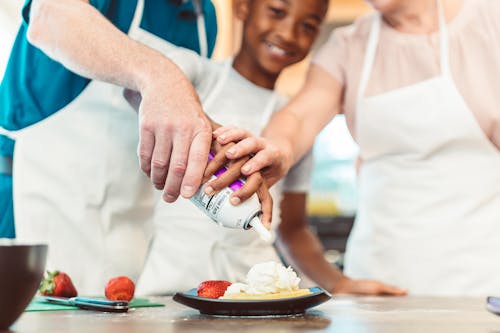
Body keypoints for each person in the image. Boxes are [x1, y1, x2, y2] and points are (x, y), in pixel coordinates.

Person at [213, 0, 500, 296]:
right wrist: (277, 149)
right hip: (379, 281)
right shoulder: (348, 47)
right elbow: (298, 117)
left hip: (485, 275)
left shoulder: (490, 20)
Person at [126, 0, 405, 296]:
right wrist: (202, 130)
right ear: (242, 7)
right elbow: (136, 89)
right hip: (170, 287)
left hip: (255, 293)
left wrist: (339, 282)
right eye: (276, 12)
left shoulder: (293, 122)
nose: (288, 33)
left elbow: (294, 229)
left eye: (308, 26)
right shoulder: (193, 76)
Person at [0, 0, 218, 294]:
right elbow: (49, 15)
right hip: (32, 214)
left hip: (129, 234)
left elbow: (151, 105)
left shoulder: (205, 18)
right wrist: (159, 75)